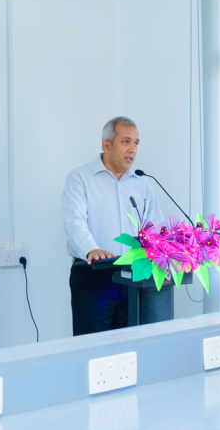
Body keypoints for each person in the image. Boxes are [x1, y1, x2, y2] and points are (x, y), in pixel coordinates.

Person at [61, 117, 161, 336]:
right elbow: (74, 222)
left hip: (135, 277)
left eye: (136, 143)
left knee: (132, 344)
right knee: (93, 346)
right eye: (126, 142)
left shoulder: (143, 183)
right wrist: (92, 249)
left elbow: (155, 228)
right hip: (94, 276)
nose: (132, 149)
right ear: (107, 146)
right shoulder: (80, 179)